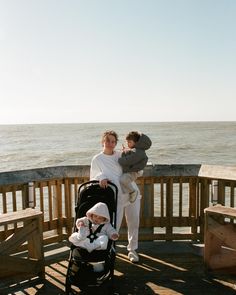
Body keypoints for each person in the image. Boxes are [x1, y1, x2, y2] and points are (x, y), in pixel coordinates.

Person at [90, 130, 141, 263]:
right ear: (103, 142)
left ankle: (132, 249)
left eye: (113, 141)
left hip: (131, 192)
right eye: (108, 141)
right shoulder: (97, 159)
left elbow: (136, 164)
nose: (110, 144)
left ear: (116, 143)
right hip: (115, 197)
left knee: (134, 221)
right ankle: (111, 249)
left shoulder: (120, 154)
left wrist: (130, 155)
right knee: (113, 224)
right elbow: (93, 176)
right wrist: (101, 177)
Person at [118, 131, 152, 203]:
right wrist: (126, 151)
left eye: (129, 142)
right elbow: (131, 154)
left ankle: (133, 191)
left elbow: (129, 160)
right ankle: (129, 194)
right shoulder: (137, 151)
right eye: (127, 142)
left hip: (133, 172)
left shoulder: (139, 153)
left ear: (136, 142)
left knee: (122, 180)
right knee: (123, 182)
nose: (128, 144)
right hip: (133, 170)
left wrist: (120, 160)